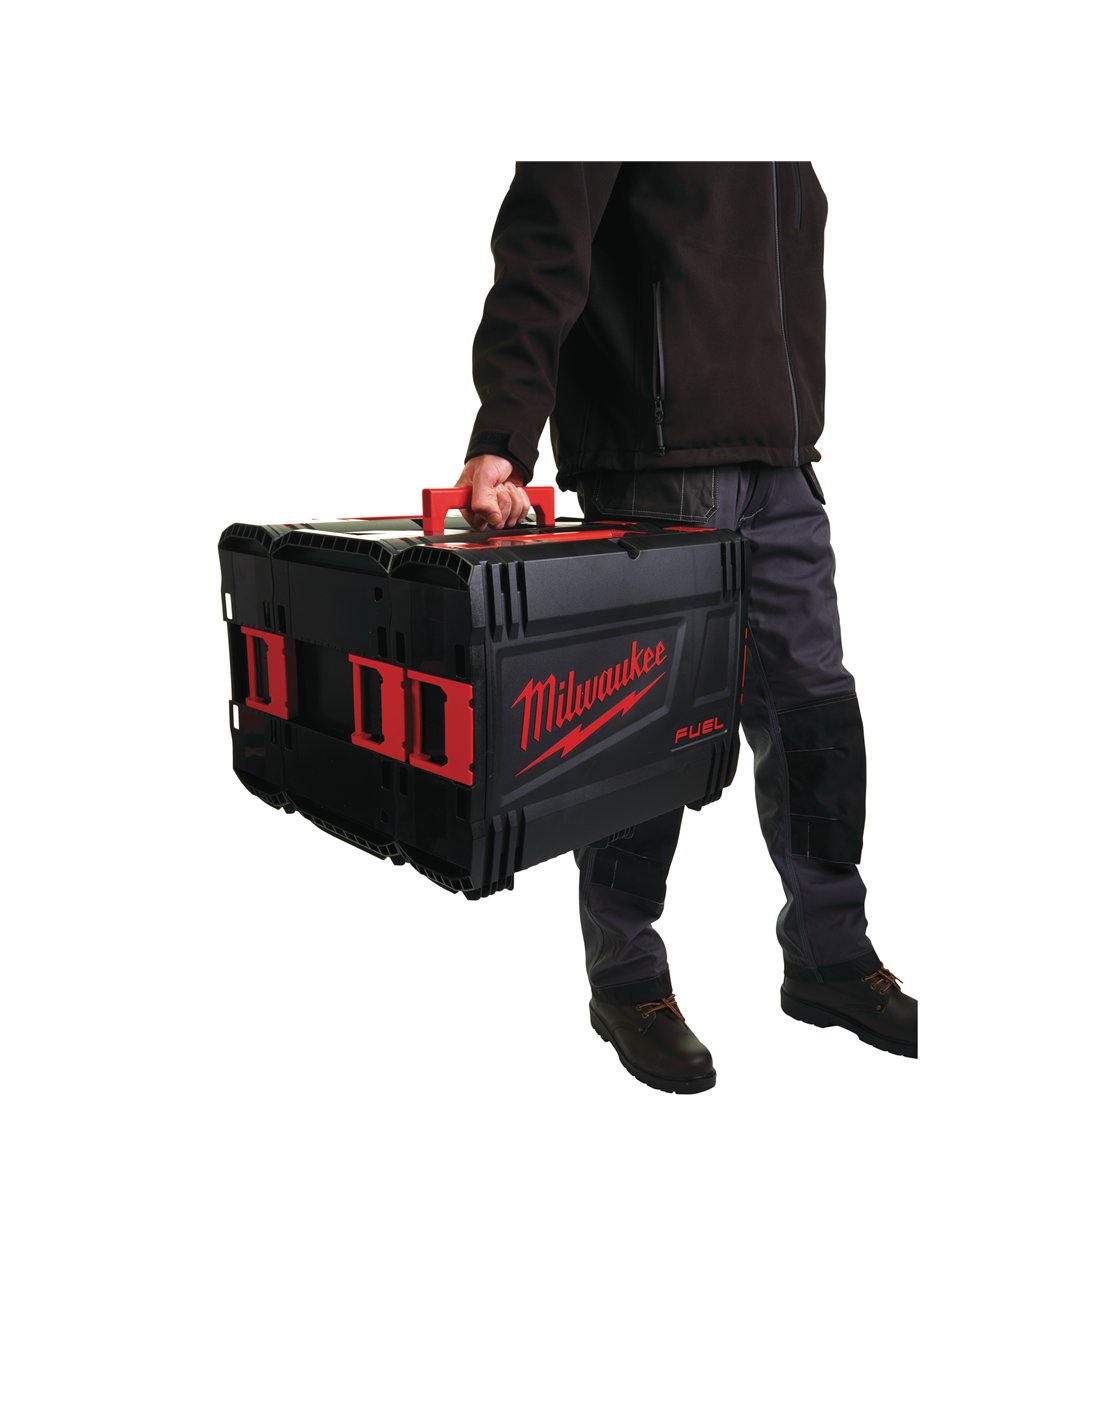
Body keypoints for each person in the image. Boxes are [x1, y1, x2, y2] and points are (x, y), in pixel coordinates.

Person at [455, 162, 917, 1091]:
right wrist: (504, 434)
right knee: (643, 729)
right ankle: (627, 979)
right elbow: (547, 237)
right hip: (656, 464)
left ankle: (829, 955)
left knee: (817, 717)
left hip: (782, 465)